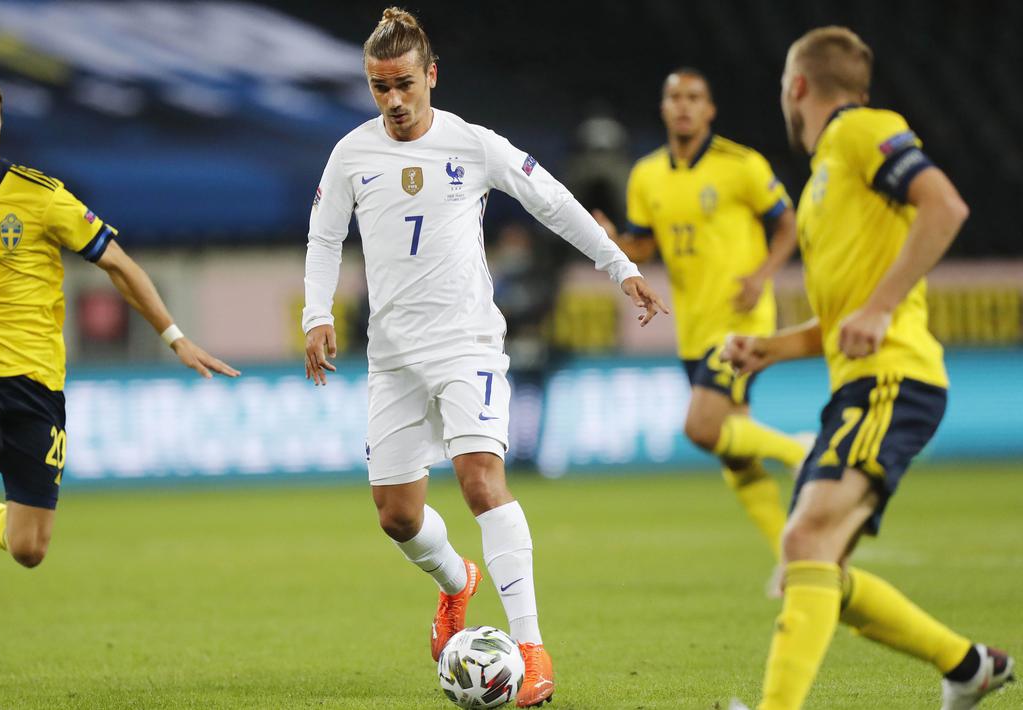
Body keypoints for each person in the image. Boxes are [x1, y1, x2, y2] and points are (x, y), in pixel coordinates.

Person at [302, 9, 668, 708]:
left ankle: (532, 650)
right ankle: (456, 583)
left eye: (404, 83)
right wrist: (316, 314)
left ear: (431, 75)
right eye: (379, 88)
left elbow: (552, 201)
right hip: (393, 358)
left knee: (479, 481)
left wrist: (618, 266)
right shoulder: (351, 153)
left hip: (466, 341)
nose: (394, 101)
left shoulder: (471, 144)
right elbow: (324, 237)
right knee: (396, 516)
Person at [0, 69, 238, 688]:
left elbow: (117, 262)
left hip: (34, 384)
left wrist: (175, 337)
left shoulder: (43, 197)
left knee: (31, 548)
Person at [723, 27, 1013, 710]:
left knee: (805, 538)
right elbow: (840, 327)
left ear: (797, 87)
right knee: (814, 565)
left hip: (893, 378)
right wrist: (769, 348)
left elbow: (944, 206)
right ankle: (968, 666)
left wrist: (880, 308)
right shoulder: (826, 174)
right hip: (860, 382)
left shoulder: (861, 131)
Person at [594, 69, 807, 568]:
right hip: (692, 327)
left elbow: (789, 224)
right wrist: (611, 242)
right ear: (664, 109)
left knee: (701, 428)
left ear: (709, 110)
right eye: (675, 98)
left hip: (743, 320)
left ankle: (798, 450)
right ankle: (792, 557)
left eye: (694, 98)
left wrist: (762, 275)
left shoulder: (742, 165)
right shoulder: (647, 175)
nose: (684, 106)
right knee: (733, 450)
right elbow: (643, 246)